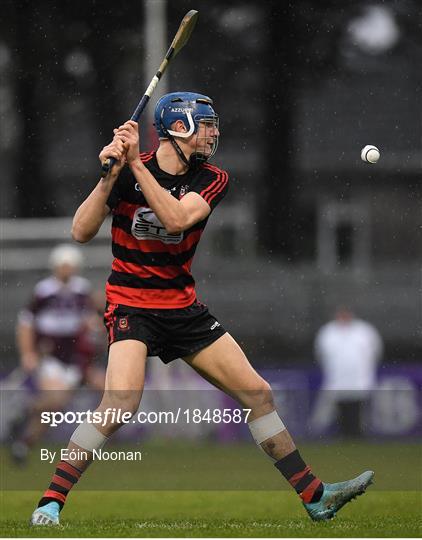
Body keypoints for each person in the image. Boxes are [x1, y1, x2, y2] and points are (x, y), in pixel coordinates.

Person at [30, 92, 374, 525]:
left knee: (258, 393)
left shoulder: (212, 178)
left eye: (213, 124)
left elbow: (176, 219)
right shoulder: (126, 173)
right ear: (178, 128)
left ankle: (315, 495)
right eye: (205, 124)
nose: (213, 132)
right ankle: (50, 501)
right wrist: (109, 177)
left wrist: (135, 165)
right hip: (131, 304)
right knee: (119, 404)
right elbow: (80, 232)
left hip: (182, 307)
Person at [11, 244, 104, 463]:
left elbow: (92, 317)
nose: (67, 270)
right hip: (52, 358)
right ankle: (26, 430)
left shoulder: (82, 289)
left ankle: (91, 443)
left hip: (78, 358)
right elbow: (26, 323)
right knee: (54, 405)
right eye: (64, 265)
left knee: (111, 391)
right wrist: (28, 353)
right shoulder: (44, 291)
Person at [312, 307, 383, 437]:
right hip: (337, 379)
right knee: (341, 407)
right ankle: (344, 433)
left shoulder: (364, 330)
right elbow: (320, 354)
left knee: (357, 408)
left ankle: (357, 433)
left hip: (359, 379)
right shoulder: (328, 331)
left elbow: (376, 351)